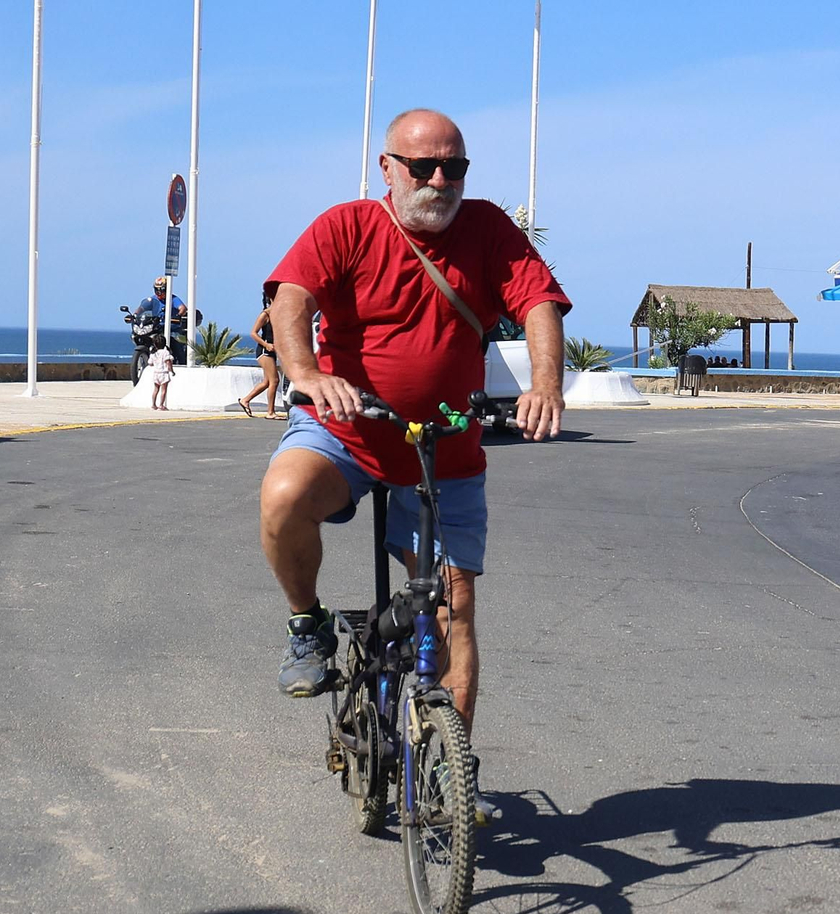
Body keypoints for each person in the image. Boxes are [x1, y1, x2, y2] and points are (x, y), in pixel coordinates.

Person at [258, 108, 569, 818]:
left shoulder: (488, 229)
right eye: (423, 167)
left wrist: (545, 385)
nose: (439, 180)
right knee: (282, 497)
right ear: (387, 168)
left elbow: (540, 302)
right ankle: (307, 623)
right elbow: (292, 296)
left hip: (443, 445)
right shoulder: (348, 226)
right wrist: (306, 374)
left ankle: (447, 768)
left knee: (454, 610)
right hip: (350, 432)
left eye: (453, 167)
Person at [240, 297, 283, 418]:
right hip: (264, 351)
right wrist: (266, 345)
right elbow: (253, 332)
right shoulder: (265, 314)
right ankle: (270, 412)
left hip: (272, 351)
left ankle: (245, 400)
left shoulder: (278, 315)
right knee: (274, 381)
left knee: (266, 382)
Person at [136, 278, 192, 362]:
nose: (159, 292)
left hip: (172, 327)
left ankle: (181, 362)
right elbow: (142, 308)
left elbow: (182, 308)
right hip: (157, 326)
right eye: (157, 290)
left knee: (176, 342)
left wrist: (178, 315)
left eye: (161, 290)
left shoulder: (173, 299)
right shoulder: (153, 299)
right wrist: (135, 315)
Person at [148, 342, 175, 410]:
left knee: (156, 389)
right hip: (163, 373)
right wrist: (171, 370)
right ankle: (161, 405)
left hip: (156, 373)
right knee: (163, 390)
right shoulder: (165, 352)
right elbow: (168, 362)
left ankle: (153, 405)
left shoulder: (153, 353)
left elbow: (150, 363)